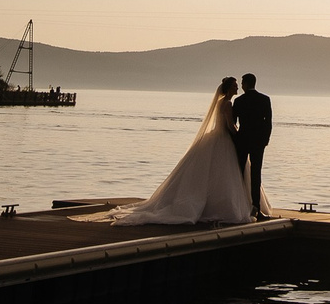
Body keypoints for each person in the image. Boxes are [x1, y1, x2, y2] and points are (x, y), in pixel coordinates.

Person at [114, 78, 255, 226]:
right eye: (234, 86)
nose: (237, 88)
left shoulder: (221, 103)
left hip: (216, 137)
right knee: (223, 173)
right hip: (224, 138)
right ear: (228, 89)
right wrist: (240, 136)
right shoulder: (227, 103)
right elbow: (230, 126)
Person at [231, 72, 273, 214]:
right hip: (258, 143)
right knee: (256, 174)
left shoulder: (239, 101)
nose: (241, 86)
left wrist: (235, 139)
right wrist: (265, 140)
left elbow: (233, 123)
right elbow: (268, 123)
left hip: (242, 141)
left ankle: (239, 203)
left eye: (242, 83)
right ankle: (256, 206)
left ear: (246, 84)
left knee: (239, 173)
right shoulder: (265, 99)